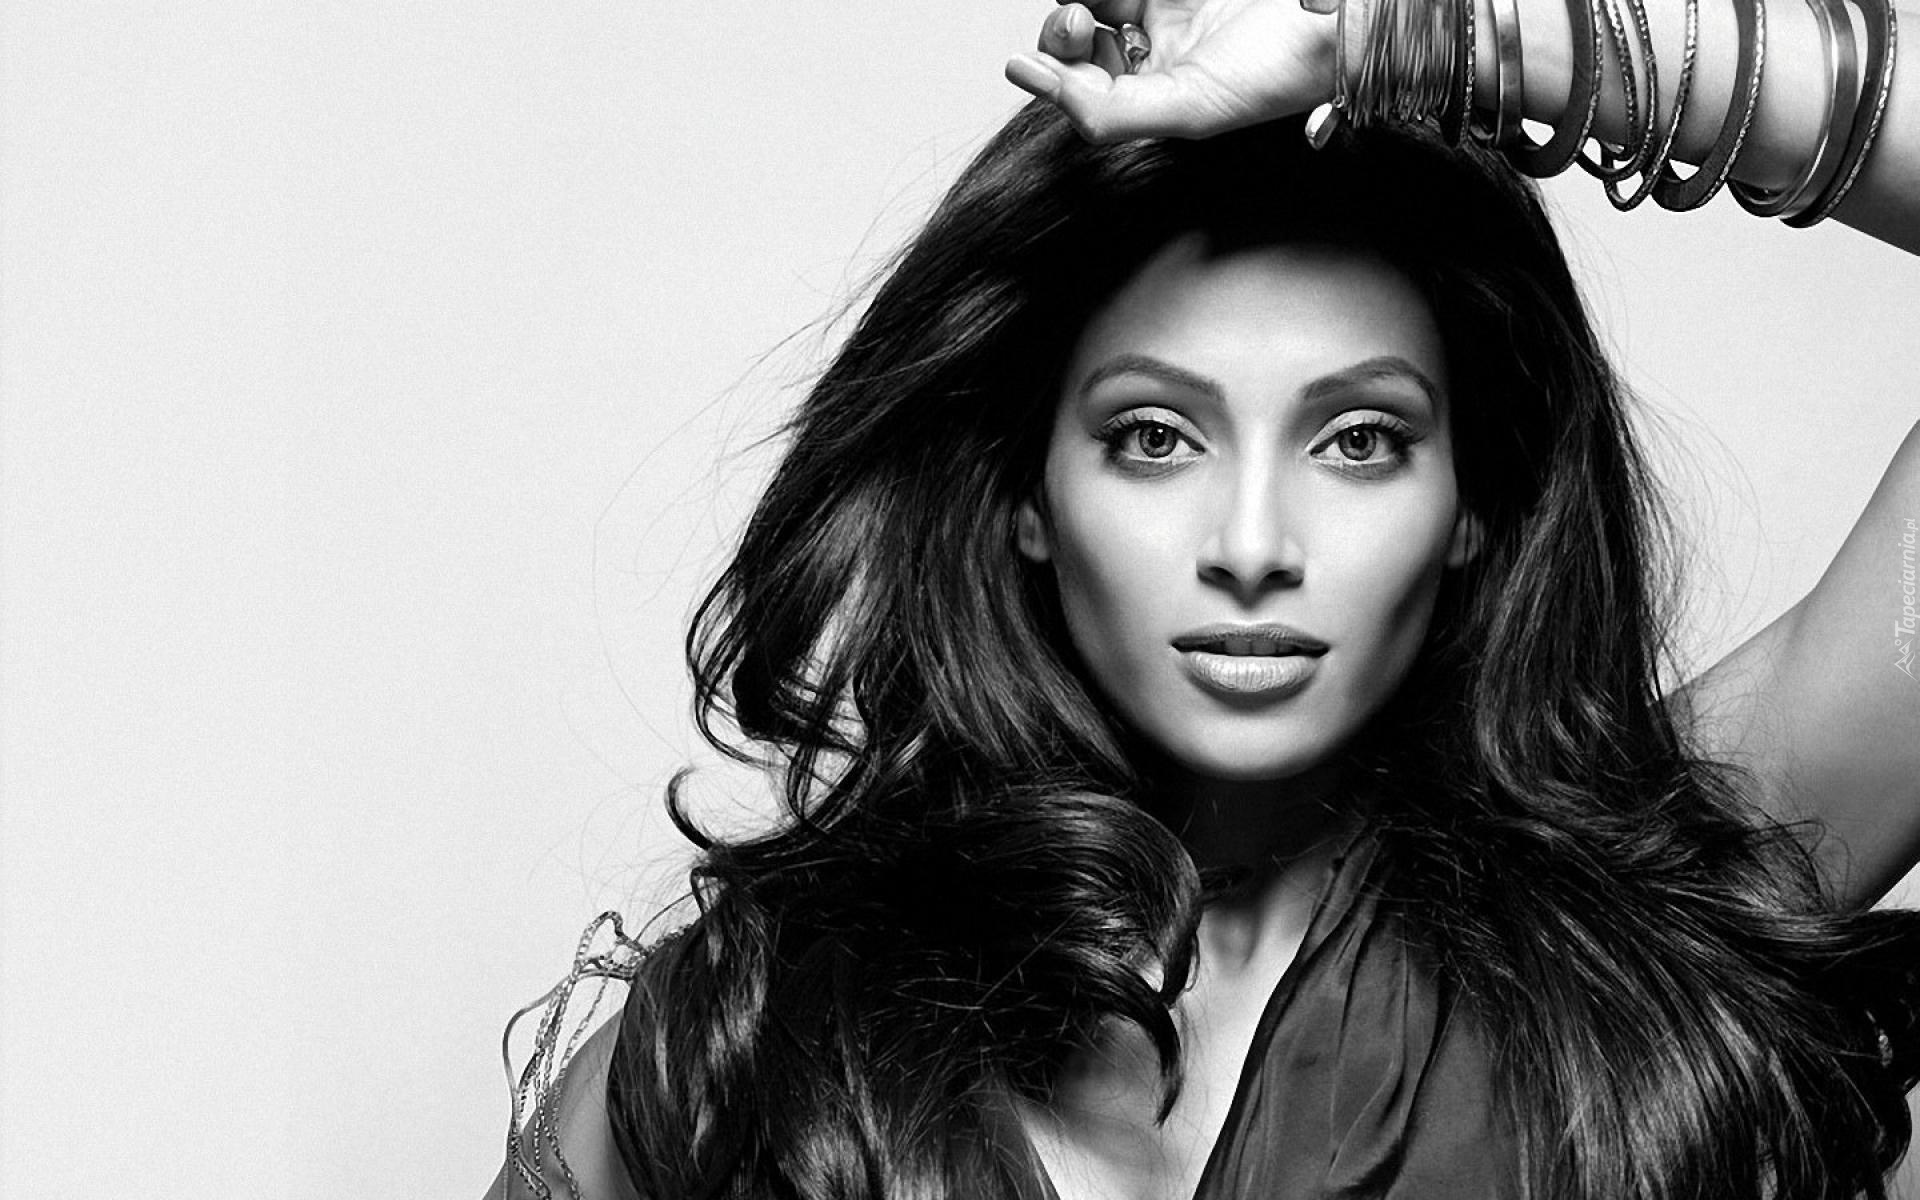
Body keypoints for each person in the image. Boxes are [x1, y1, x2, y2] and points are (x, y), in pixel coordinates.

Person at [491, 1, 1920, 1197]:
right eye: (1154, 437)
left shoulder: (1651, 912)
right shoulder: (749, 1042)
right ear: (1026, 496)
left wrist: (1417, 32)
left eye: (1357, 441)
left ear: (1474, 504)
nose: (1252, 544)